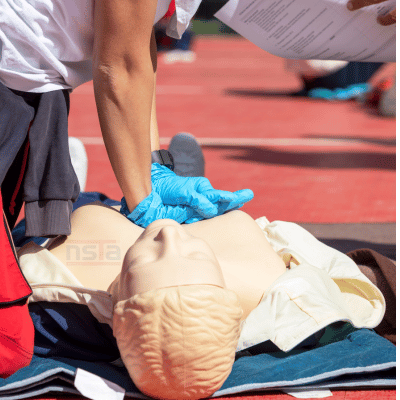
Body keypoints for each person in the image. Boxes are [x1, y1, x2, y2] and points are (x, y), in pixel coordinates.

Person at [18, 202, 386, 399]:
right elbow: (349, 287)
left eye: (144, 259)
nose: (171, 235)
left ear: (114, 303)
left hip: (110, 213)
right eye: (196, 256)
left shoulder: (60, 287)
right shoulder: (274, 287)